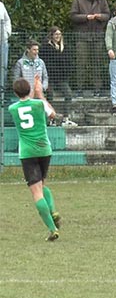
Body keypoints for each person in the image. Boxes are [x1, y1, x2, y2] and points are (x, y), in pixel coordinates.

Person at [8, 77, 61, 241]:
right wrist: (40, 94)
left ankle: (53, 229)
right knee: (42, 184)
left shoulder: (12, 108)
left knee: (36, 192)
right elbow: (53, 114)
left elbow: (24, 103)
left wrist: (33, 92)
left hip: (28, 153)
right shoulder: (39, 104)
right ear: (29, 89)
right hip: (45, 149)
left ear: (15, 93)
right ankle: (53, 211)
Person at [70, 0, 110, 97]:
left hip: (97, 36)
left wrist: (100, 16)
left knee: (97, 63)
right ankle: (79, 89)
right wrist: (86, 17)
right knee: (81, 64)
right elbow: (73, 16)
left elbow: (107, 15)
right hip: (82, 37)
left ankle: (97, 89)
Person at [41, 27, 77, 126]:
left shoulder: (65, 47)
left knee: (68, 94)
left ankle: (66, 118)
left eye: (59, 34)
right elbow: (46, 63)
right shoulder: (46, 47)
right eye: (56, 34)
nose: (58, 36)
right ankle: (51, 119)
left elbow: (69, 62)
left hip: (62, 77)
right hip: (50, 77)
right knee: (50, 96)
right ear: (51, 35)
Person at [0, 0, 11, 78]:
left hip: (3, 42)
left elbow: (7, 20)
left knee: (3, 66)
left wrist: (7, 33)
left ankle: (2, 88)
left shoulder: (1, 5)